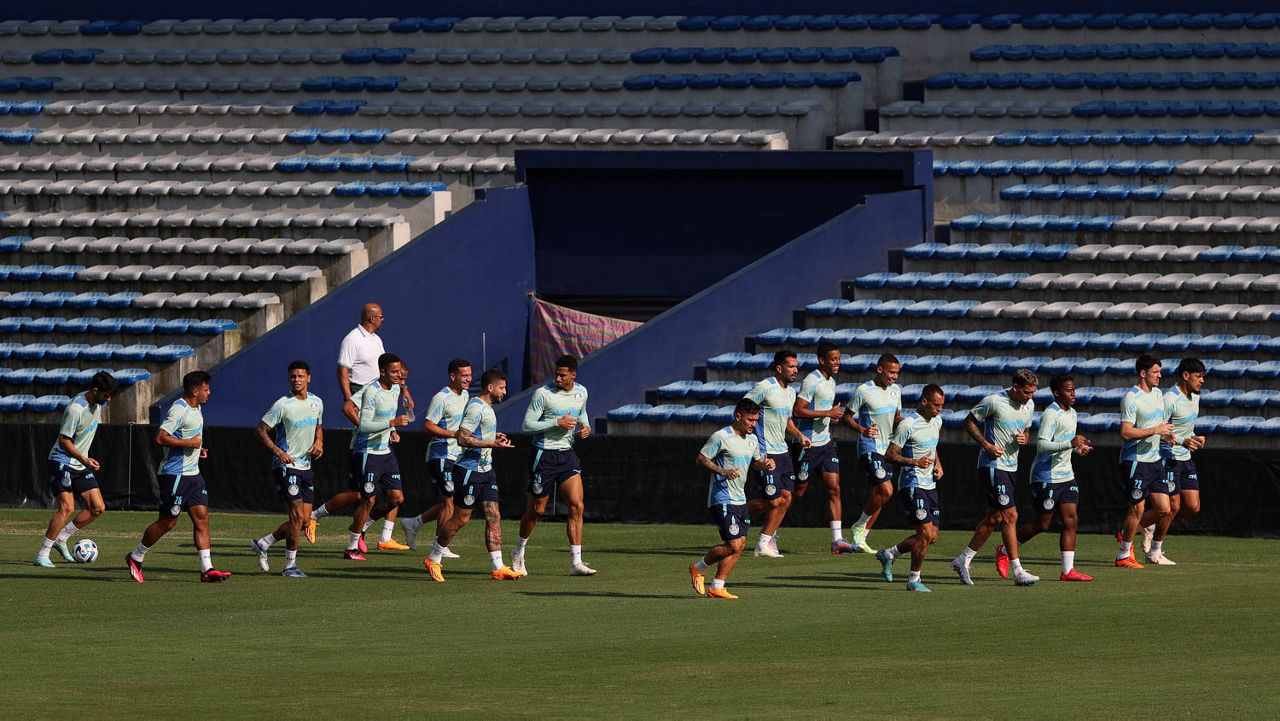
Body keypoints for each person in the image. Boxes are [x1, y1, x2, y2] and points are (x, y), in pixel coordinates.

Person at [126, 371, 231, 583]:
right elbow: (160, 437)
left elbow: (188, 437)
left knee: (202, 518)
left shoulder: (197, 407)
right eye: (206, 389)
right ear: (195, 391)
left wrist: (197, 449)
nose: (209, 393)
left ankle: (207, 569)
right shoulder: (178, 409)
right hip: (175, 476)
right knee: (167, 523)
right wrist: (189, 444)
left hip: (193, 476)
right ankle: (136, 556)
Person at [423, 368, 522, 582]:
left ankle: (498, 567)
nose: (505, 392)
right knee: (461, 518)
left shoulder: (487, 407)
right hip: (469, 471)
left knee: (494, 516)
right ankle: (434, 558)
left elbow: (477, 433)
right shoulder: (477, 407)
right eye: (502, 388)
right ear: (490, 387)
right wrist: (491, 444)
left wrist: (493, 437)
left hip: (486, 470)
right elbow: (462, 438)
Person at [952, 369, 1040, 587]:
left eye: (1033, 392)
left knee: (994, 518)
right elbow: (969, 422)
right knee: (1011, 515)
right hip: (992, 466)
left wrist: (1024, 438)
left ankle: (963, 560)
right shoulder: (994, 401)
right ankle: (1018, 571)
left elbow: (1027, 431)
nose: (1030, 397)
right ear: (1015, 387)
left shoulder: (1029, 405)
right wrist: (987, 445)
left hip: (1011, 467)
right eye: (1027, 392)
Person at [516, 355, 595, 576]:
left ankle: (576, 563)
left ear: (573, 375)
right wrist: (556, 422)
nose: (558, 378)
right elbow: (526, 426)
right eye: (556, 374)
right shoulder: (543, 394)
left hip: (567, 455)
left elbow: (582, 412)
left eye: (562, 375)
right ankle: (518, 551)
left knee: (577, 506)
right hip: (543, 455)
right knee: (538, 509)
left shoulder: (581, 392)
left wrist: (586, 426)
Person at [689, 398, 774, 599]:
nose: (754, 424)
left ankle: (717, 586)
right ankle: (698, 568)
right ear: (738, 416)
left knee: (740, 545)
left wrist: (765, 465)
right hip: (722, 498)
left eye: (756, 420)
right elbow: (701, 458)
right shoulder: (722, 436)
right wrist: (722, 471)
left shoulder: (753, 440)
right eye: (750, 420)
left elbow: (755, 463)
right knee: (733, 545)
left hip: (740, 499)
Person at [34, 371, 117, 567]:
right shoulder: (76, 409)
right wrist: (83, 459)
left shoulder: (96, 404)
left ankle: (62, 538)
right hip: (62, 460)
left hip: (80, 463)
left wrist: (84, 460)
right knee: (67, 508)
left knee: (97, 508)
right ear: (95, 390)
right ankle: (42, 554)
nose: (109, 399)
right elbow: (64, 441)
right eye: (106, 395)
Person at [250, 361, 324, 578]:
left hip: (306, 466)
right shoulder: (282, 404)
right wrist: (278, 452)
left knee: (304, 520)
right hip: (286, 466)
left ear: (308, 378)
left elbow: (318, 427)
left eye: (300, 376)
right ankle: (289, 566)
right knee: (297, 516)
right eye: (293, 376)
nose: (296, 380)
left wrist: (319, 442)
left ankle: (264, 542)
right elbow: (260, 430)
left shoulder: (317, 402)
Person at [1017, 375, 1094, 582]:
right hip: (1046, 475)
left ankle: (1067, 571)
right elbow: (1042, 445)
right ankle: (1007, 549)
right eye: (1068, 391)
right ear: (1057, 393)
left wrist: (1078, 449)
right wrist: (1070, 444)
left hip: (1066, 475)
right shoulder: (1051, 414)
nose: (1073, 394)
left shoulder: (1073, 413)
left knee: (1071, 519)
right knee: (1042, 525)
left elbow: (1065, 444)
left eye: (1074, 390)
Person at [874, 384, 945, 592]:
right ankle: (914, 580)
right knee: (924, 534)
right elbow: (890, 454)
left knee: (931, 537)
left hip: (930, 485)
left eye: (942, 405)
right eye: (936, 405)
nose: (940, 409)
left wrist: (938, 464)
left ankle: (889, 554)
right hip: (912, 484)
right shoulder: (908, 424)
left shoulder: (937, 421)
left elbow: (932, 446)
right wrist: (915, 462)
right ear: (924, 401)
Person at [340, 353, 410, 560]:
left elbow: (385, 418)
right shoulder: (371, 391)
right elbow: (363, 425)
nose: (399, 376)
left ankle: (362, 527)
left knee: (396, 498)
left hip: (385, 452)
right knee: (368, 500)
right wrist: (392, 424)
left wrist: (392, 431)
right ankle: (351, 548)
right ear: (383, 372)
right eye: (394, 372)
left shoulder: (395, 389)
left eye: (399, 372)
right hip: (368, 452)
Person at [401, 358, 471, 557]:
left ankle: (414, 523)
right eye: (464, 375)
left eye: (469, 375)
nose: (468, 379)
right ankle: (440, 546)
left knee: (452, 502)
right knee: (449, 501)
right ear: (452, 376)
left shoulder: (466, 395)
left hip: (458, 456)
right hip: (441, 454)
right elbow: (427, 426)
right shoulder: (441, 397)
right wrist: (453, 434)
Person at [791, 342, 856, 554]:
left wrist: (830, 416)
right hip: (807, 445)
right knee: (797, 493)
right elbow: (798, 411)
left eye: (839, 358)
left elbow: (821, 410)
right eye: (833, 359)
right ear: (822, 360)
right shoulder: (812, 380)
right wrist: (827, 413)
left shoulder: (832, 381)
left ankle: (837, 540)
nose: (837, 362)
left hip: (826, 444)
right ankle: (769, 531)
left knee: (834, 488)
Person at [744, 350, 810, 558]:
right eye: (791, 366)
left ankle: (764, 543)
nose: (795, 370)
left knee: (787, 498)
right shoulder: (764, 387)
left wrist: (799, 435)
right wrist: (749, 443)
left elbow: (787, 422)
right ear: (779, 368)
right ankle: (735, 512)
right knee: (773, 501)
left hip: (783, 452)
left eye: (796, 366)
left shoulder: (791, 393)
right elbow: (744, 410)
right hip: (765, 452)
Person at [1115, 355, 1176, 569]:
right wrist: (1156, 430)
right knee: (1137, 508)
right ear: (1143, 373)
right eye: (1155, 372)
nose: (1160, 376)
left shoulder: (1158, 394)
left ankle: (1129, 531)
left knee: (1164, 509)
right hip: (1136, 460)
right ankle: (1123, 554)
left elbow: (1158, 424)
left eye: (1160, 372)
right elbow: (1126, 432)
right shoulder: (1131, 398)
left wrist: (1166, 435)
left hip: (1155, 459)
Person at [1150, 358, 1207, 565]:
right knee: (1172, 507)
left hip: (1186, 457)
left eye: (1202, 376)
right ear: (1185, 375)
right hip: (1169, 458)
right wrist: (1183, 441)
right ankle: (1155, 551)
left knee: (1192, 507)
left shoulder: (1196, 397)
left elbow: (1186, 428)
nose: (1202, 381)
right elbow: (1159, 430)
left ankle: (1152, 523)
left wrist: (1195, 438)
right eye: (1198, 376)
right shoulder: (1170, 399)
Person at [846, 354, 904, 553]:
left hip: (887, 450)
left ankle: (861, 539)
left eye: (897, 373)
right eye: (891, 372)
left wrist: (907, 427)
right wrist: (861, 429)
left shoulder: (896, 390)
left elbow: (896, 417)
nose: (894, 376)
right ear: (880, 370)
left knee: (878, 495)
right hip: (870, 447)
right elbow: (847, 417)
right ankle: (859, 525)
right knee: (886, 490)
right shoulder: (864, 390)